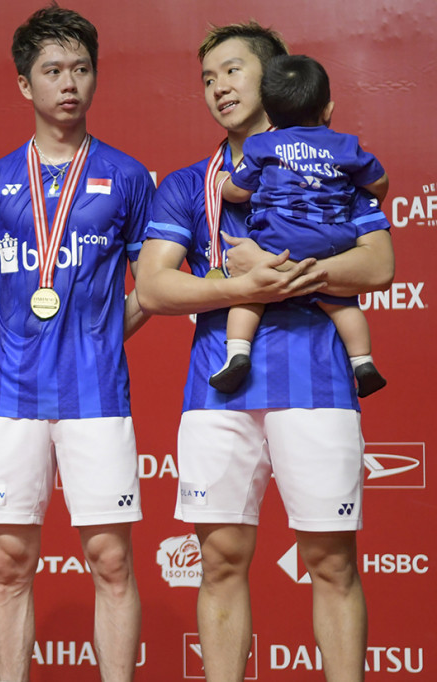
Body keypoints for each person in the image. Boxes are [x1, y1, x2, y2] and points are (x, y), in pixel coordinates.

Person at [134, 21, 394, 682]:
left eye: (232, 70)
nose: (218, 87)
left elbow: (379, 265)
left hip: (317, 382)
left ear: (277, 79)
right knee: (219, 561)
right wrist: (243, 284)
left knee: (332, 564)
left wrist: (293, 273)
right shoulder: (192, 183)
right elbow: (156, 285)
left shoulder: (335, 165)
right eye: (207, 78)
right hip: (218, 388)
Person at [0, 7, 154, 681]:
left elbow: (150, 285)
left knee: (112, 562)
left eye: (82, 69)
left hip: (96, 397)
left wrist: (98, 338)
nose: (70, 84)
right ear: (23, 85)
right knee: (8, 564)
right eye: (53, 71)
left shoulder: (128, 177)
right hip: (8, 397)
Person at [210, 54, 389, 396]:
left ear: (270, 115)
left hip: (277, 244)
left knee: (248, 297)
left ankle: (237, 355)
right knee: (343, 304)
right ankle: (363, 363)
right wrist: (368, 190)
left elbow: (237, 192)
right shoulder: (346, 145)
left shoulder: (261, 144)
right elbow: (380, 182)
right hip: (333, 243)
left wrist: (221, 182)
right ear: (328, 110)